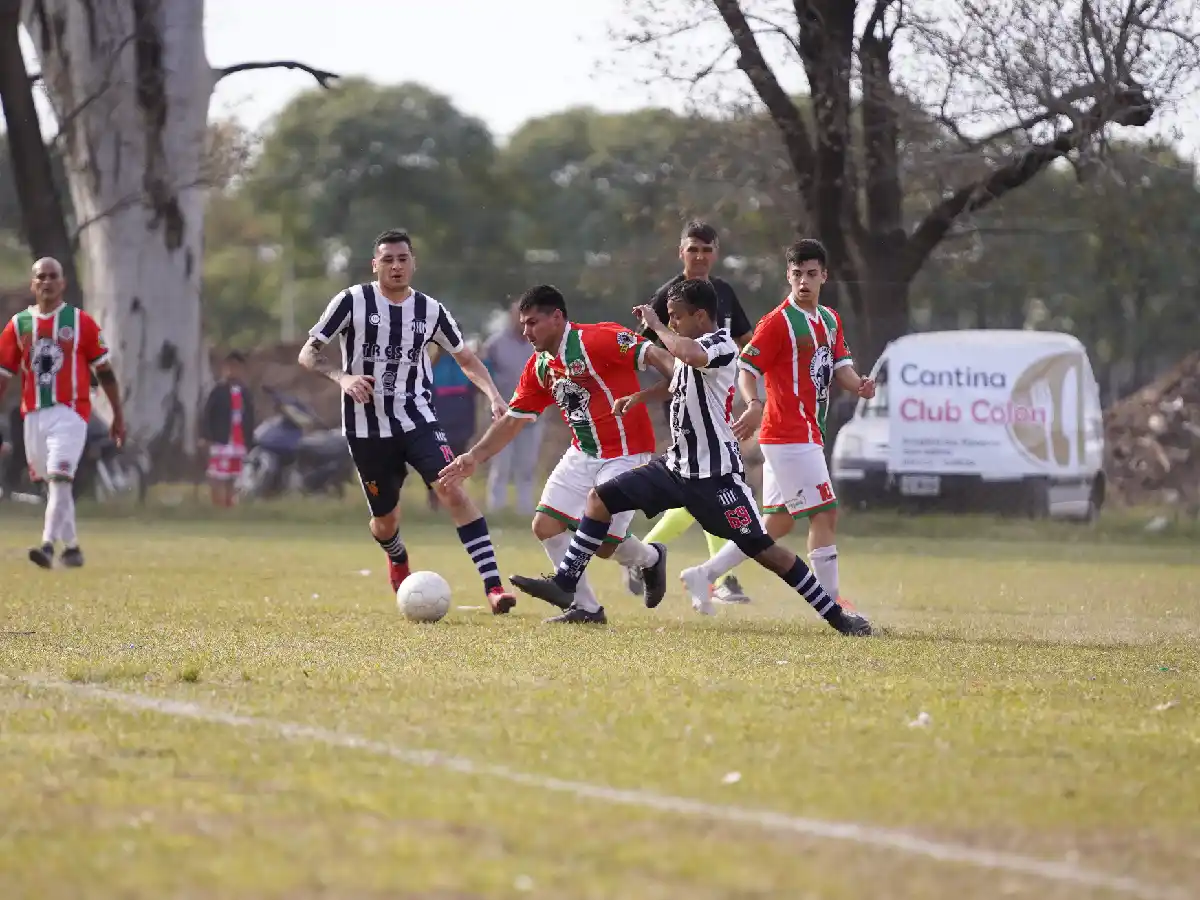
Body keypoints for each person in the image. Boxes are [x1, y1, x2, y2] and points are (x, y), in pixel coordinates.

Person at [506, 279, 872, 636]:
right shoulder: (690, 344)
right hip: (675, 466)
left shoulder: (721, 344)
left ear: (699, 316)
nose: (673, 323)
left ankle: (837, 616)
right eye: (669, 317)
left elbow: (689, 355)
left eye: (676, 317)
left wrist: (655, 326)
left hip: (716, 479)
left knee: (765, 551)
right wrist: (641, 397)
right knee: (599, 499)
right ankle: (566, 583)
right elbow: (678, 380)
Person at [298, 229, 518, 615]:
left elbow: (466, 358)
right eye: (388, 259)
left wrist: (494, 395)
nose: (396, 266)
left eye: (403, 259)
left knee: (453, 489)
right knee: (384, 521)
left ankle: (494, 586)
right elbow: (308, 353)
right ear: (375, 265)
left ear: (413, 263)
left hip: (418, 419)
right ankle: (396, 554)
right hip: (366, 429)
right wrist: (343, 378)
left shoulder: (431, 310)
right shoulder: (351, 301)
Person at [435, 284, 671, 624]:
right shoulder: (540, 366)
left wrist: (679, 381)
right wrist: (474, 456)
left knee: (604, 544)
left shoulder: (598, 339)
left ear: (557, 317)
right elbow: (513, 421)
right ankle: (586, 608)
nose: (526, 331)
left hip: (627, 452)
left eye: (533, 323)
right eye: (523, 323)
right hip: (583, 451)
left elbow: (653, 354)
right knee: (546, 525)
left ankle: (650, 558)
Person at [680, 239, 875, 612]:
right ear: (788, 275)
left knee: (776, 525)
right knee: (825, 512)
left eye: (812, 274)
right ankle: (832, 605)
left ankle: (704, 574)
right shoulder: (778, 321)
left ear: (824, 277)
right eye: (797, 274)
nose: (804, 281)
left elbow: (841, 368)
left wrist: (860, 385)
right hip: (788, 433)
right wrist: (754, 403)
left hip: (805, 433)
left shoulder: (830, 320)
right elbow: (747, 369)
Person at [623, 220, 758, 605]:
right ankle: (722, 578)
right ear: (680, 251)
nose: (700, 257)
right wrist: (659, 383)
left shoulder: (725, 293)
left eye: (707, 249)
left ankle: (646, 554)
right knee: (712, 486)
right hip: (687, 407)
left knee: (702, 492)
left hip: (722, 403)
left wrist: (758, 387)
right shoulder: (669, 295)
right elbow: (643, 350)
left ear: (716, 253)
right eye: (693, 249)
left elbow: (747, 344)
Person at [0, 257, 126, 569]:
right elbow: (3, 375)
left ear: (63, 282)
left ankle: (46, 545)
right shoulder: (19, 325)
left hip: (71, 412)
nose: (47, 282)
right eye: (40, 277)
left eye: (53, 276)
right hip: (34, 415)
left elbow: (106, 372)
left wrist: (117, 415)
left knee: (59, 478)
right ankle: (72, 548)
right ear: (33, 284)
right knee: (53, 481)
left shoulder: (80, 322)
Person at [481, 300, 542, 515]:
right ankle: (496, 510)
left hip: (532, 417)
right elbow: (483, 373)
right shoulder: (495, 344)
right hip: (504, 415)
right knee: (501, 466)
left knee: (526, 467)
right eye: (518, 315)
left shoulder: (538, 344)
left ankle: (525, 511)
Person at [200, 350, 255, 507]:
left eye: (237, 367)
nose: (233, 371)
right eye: (230, 367)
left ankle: (229, 504)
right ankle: (217, 505)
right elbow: (208, 415)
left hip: (238, 439)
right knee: (218, 475)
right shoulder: (218, 391)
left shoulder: (245, 393)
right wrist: (206, 437)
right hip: (221, 439)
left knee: (233, 475)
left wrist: (249, 440)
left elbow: (250, 418)